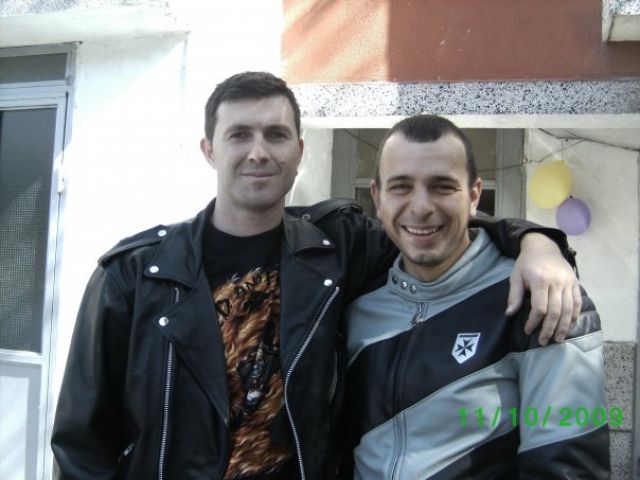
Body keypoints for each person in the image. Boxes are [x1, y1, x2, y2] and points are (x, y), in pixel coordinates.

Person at [51, 72, 581, 480]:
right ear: (210, 150)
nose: (259, 151)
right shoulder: (135, 274)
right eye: (239, 135)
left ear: (299, 152)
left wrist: (537, 242)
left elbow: (432, 223)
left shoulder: (339, 247)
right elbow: (81, 444)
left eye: (276, 134)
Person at [344, 114, 609, 479]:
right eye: (401, 187)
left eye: (442, 187)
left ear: (473, 196)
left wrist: (541, 243)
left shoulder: (541, 299)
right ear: (377, 196)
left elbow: (567, 466)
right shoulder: (354, 299)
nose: (420, 207)